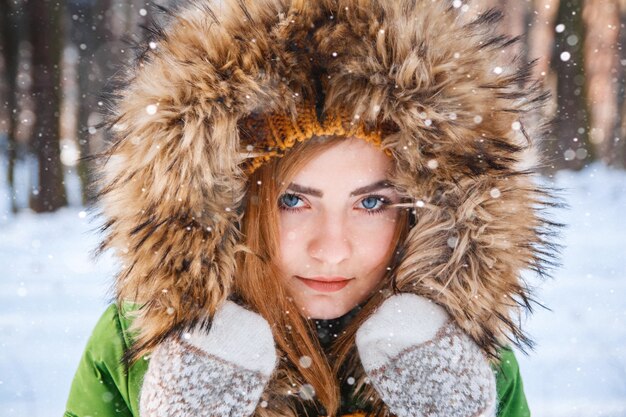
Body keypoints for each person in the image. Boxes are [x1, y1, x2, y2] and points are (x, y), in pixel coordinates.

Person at [65, 0, 556, 416]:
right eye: (293, 200)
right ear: (228, 208)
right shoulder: (138, 345)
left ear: (425, 214)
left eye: (371, 202)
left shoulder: (459, 355)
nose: (332, 250)